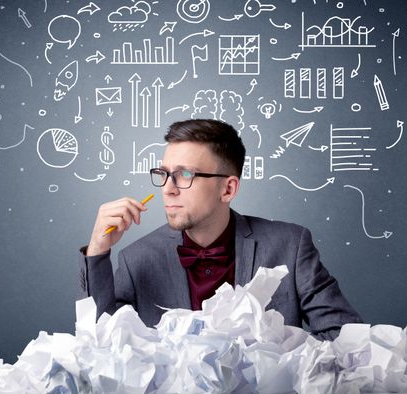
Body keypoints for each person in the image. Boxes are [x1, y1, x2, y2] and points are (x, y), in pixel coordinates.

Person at [78, 119, 362, 340]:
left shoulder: (291, 245)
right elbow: (102, 347)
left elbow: (345, 338)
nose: (168, 189)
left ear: (228, 188)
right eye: (163, 174)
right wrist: (97, 250)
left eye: (185, 175)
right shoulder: (136, 259)